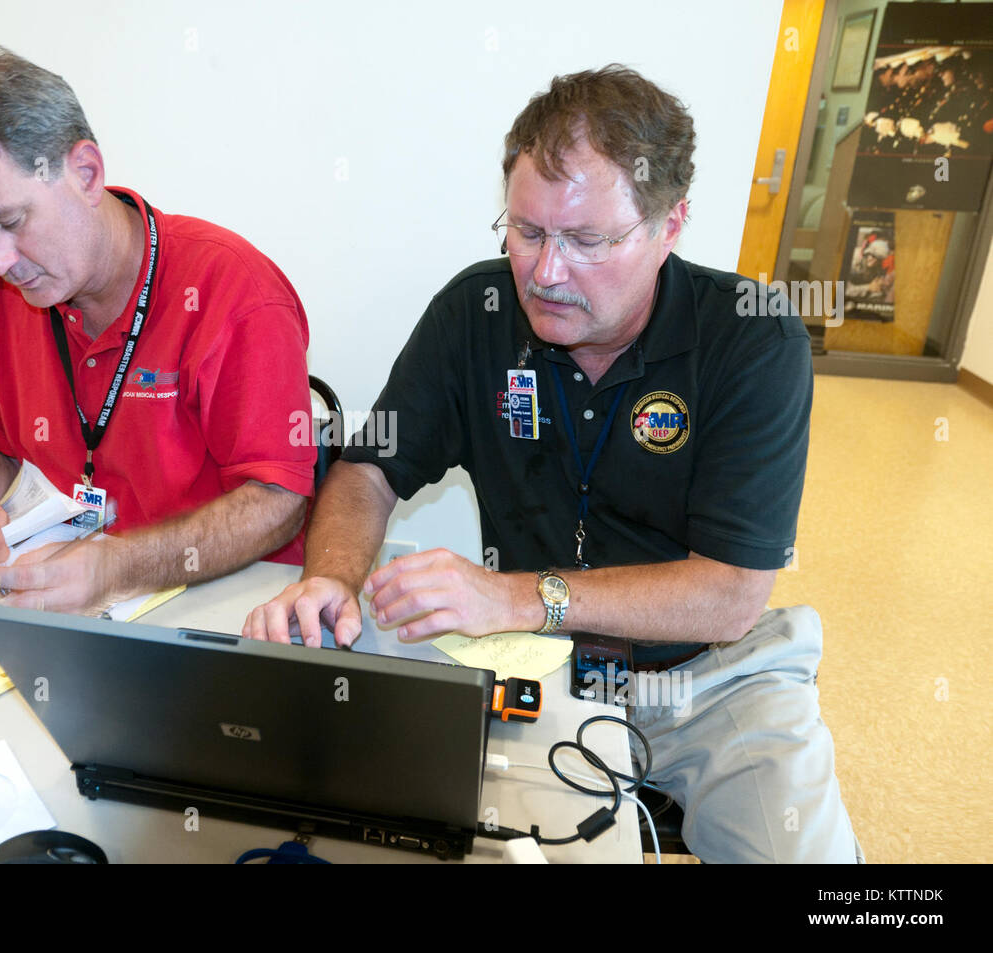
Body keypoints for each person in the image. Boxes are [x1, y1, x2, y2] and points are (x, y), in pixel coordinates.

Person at [243, 65, 861, 863]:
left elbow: (729, 596)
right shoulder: (478, 309)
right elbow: (368, 468)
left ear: (670, 224)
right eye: (527, 231)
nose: (544, 271)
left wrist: (512, 595)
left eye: (586, 241)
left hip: (712, 675)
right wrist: (328, 578)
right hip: (532, 670)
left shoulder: (753, 339)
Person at [0, 45, 315, 612]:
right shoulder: (3, 296)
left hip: (225, 609)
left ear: (85, 173)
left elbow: (278, 500)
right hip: (77, 602)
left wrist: (119, 566)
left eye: (10, 221)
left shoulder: (234, 292)